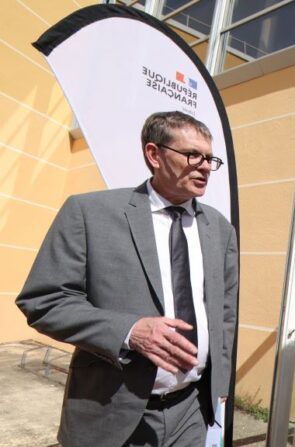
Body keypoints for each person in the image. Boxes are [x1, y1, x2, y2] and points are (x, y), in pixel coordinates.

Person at [16, 111, 239, 447]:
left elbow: (225, 312)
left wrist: (219, 384)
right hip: (110, 413)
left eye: (210, 158)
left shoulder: (220, 229)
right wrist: (130, 332)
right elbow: (44, 301)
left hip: (191, 412)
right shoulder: (88, 213)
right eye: (193, 155)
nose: (206, 167)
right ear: (154, 154)